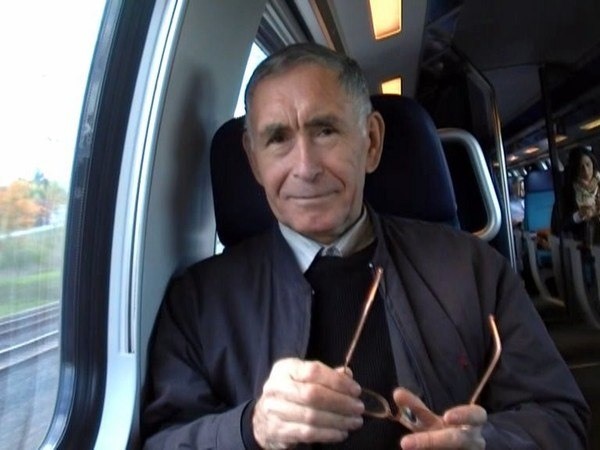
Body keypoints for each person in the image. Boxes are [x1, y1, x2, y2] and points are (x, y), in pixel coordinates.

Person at [142, 43, 589, 449]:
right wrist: (250, 428)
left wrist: (489, 444)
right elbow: (163, 441)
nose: (305, 167)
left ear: (371, 142)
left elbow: (559, 416)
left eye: (325, 131)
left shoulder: (471, 269)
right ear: (254, 161)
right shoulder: (197, 303)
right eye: (278, 139)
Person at [561, 146, 600, 248]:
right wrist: (579, 215)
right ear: (575, 170)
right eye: (580, 167)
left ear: (593, 164)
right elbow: (561, 225)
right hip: (582, 243)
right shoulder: (568, 192)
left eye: (588, 165)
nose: (586, 171)